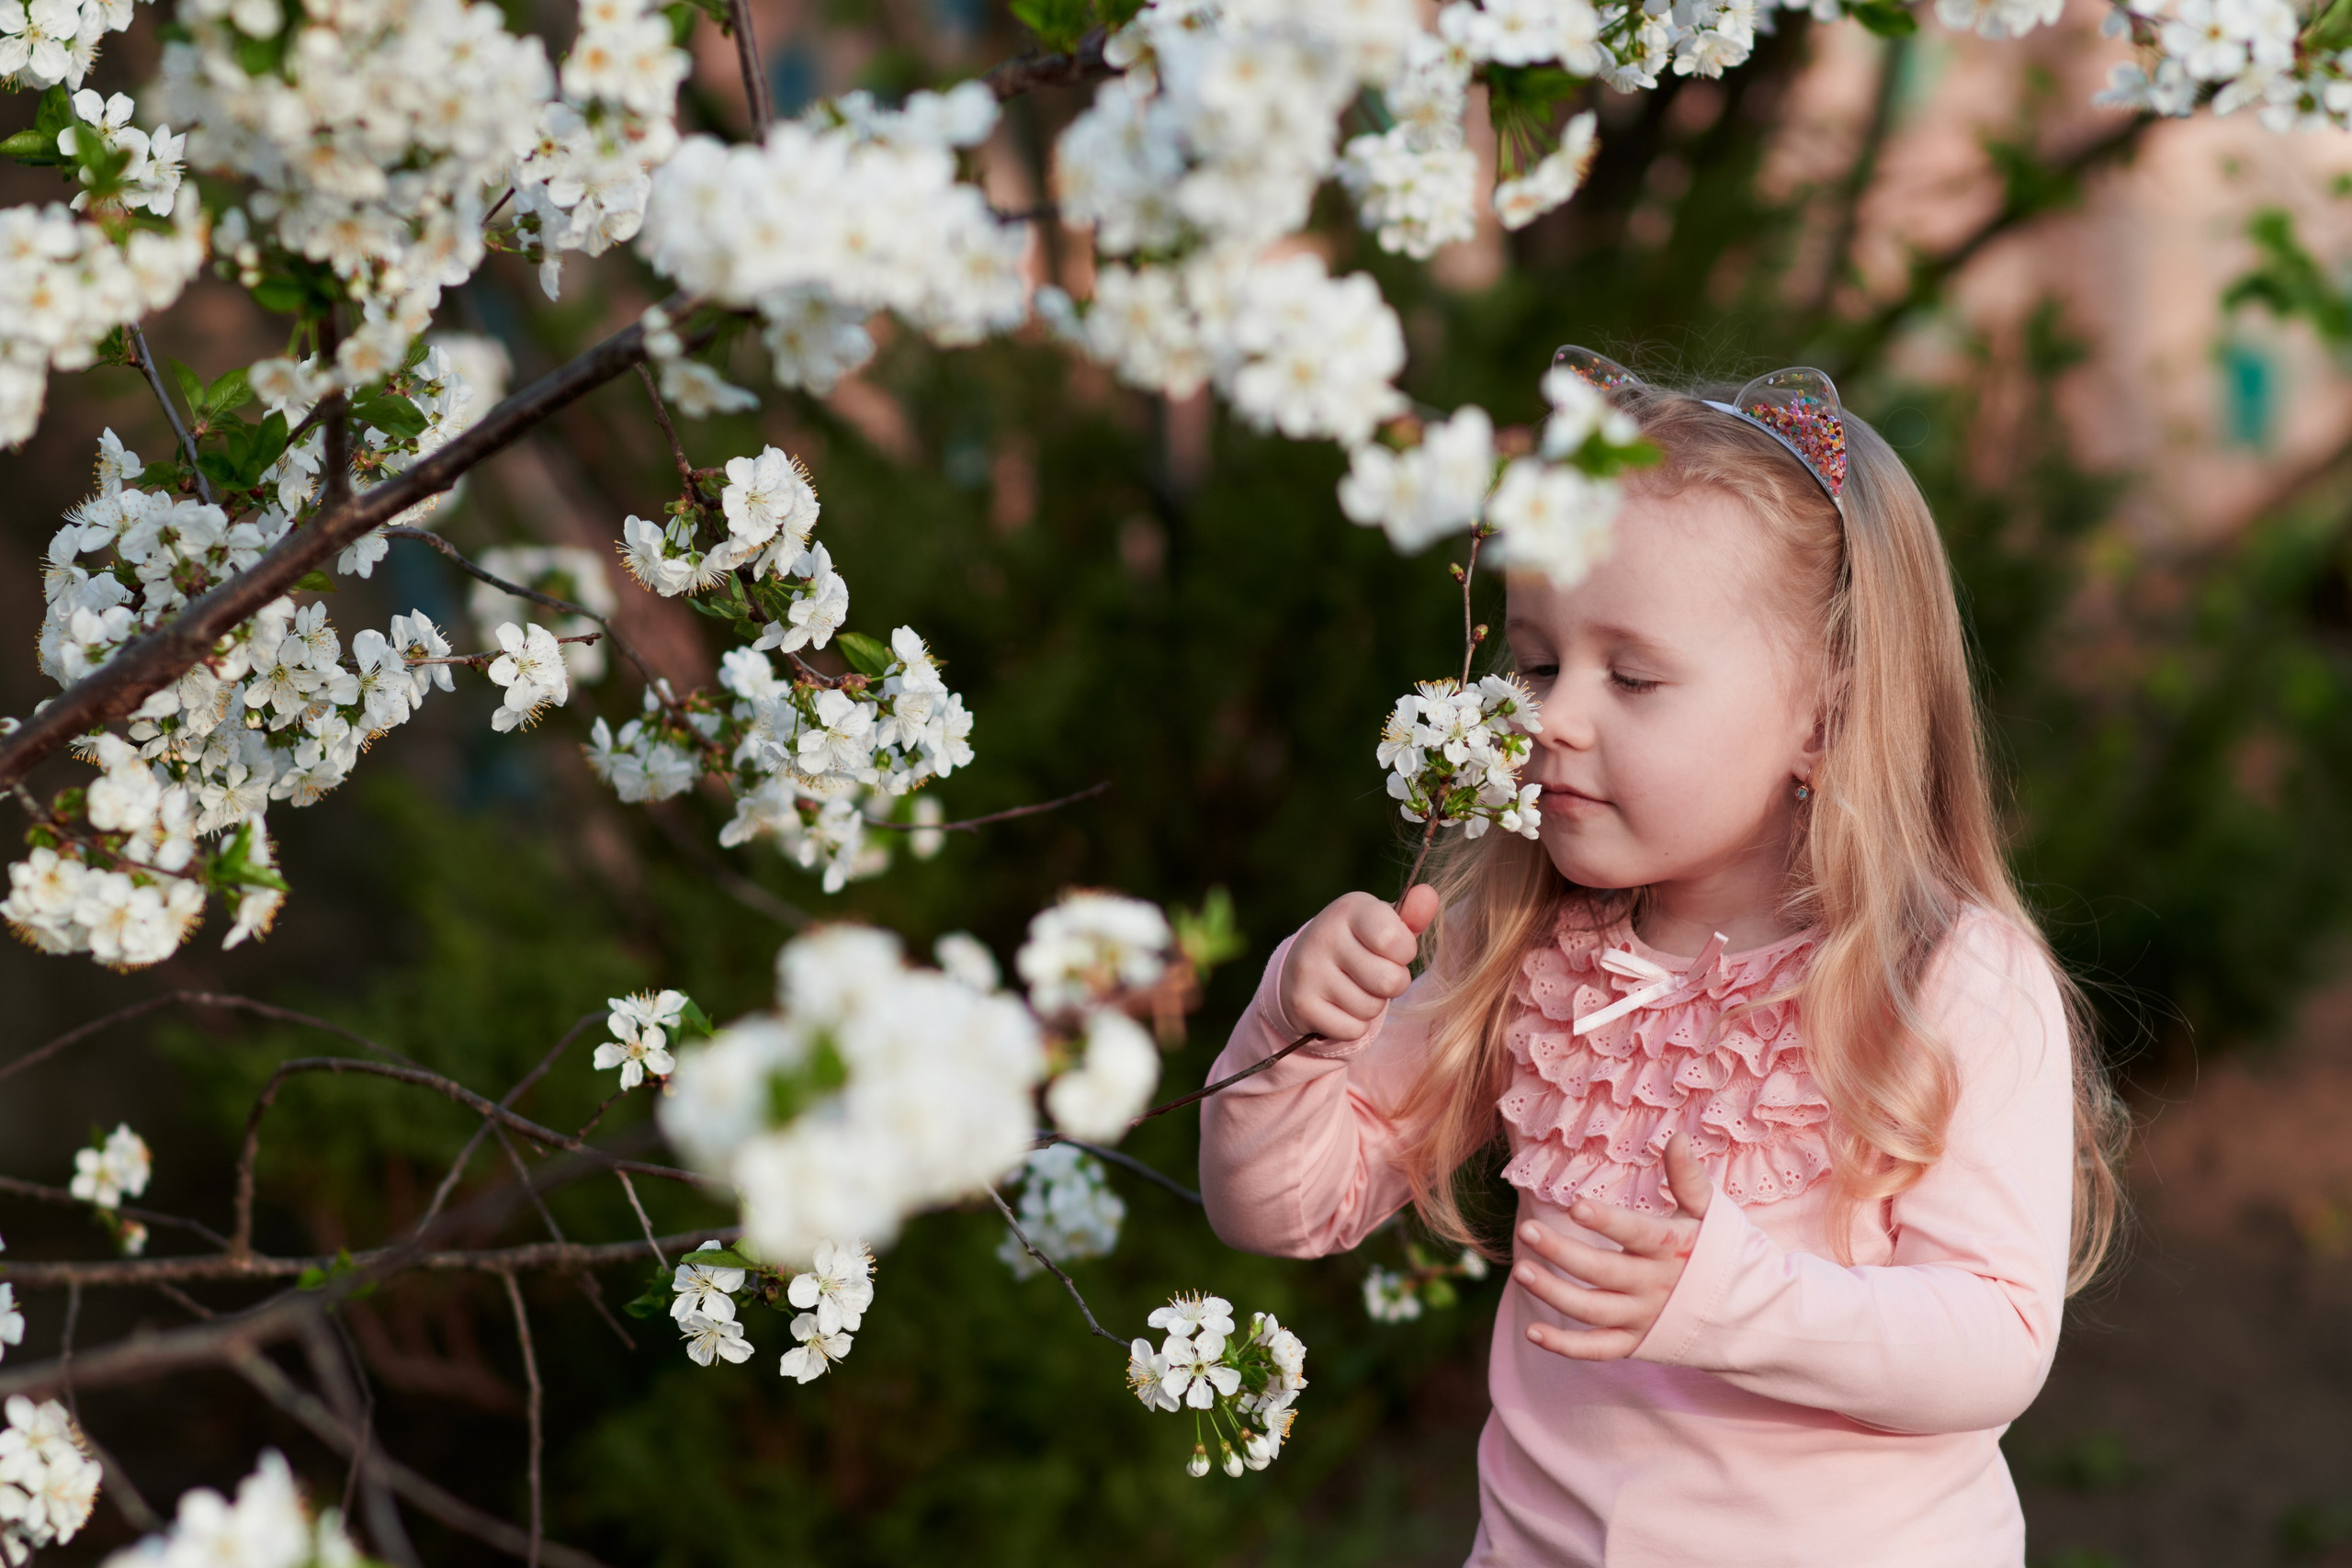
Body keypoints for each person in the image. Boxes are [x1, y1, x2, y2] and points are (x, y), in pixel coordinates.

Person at [1197, 356, 2129, 1567]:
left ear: (1824, 718)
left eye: (1632, 676)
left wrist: (1735, 1303)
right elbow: (1282, 1209)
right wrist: (1293, 1034)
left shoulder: (1944, 979)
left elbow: (1995, 1340)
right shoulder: (1527, 947)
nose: (1553, 718)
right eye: (1537, 663)